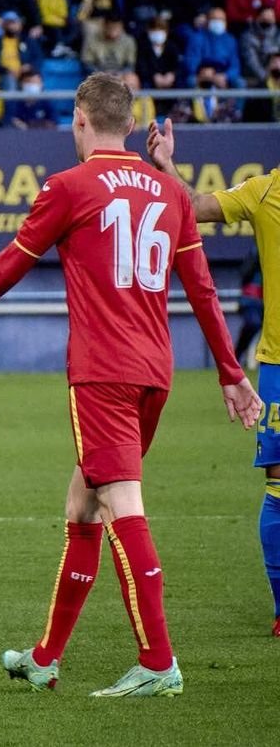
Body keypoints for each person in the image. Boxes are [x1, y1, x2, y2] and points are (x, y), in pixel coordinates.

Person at [0, 76, 262, 695]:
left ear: (80, 121)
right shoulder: (168, 191)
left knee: (120, 505)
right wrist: (230, 371)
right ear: (130, 125)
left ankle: (159, 664)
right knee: (82, 505)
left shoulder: (68, 186)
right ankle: (44, 657)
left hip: (102, 373)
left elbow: (10, 264)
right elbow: (204, 289)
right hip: (155, 373)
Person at [143, 120, 280, 637]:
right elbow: (192, 209)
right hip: (278, 363)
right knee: (279, 486)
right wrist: (167, 165)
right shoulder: (264, 189)